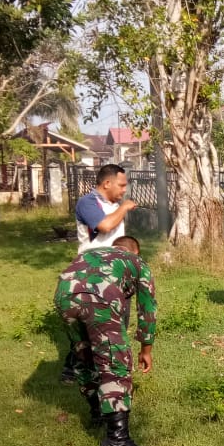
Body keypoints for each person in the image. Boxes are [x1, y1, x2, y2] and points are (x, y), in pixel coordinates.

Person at [54, 235, 157, 446]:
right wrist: (146, 350)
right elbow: (147, 309)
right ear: (135, 252)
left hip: (64, 295)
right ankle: (117, 442)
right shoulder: (137, 262)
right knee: (114, 361)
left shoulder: (89, 254)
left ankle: (98, 413)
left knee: (84, 355)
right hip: (98, 299)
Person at [62, 163, 139, 382]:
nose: (124, 189)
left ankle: (109, 369)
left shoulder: (113, 205)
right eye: (121, 185)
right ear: (107, 183)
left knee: (119, 322)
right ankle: (73, 368)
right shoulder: (87, 203)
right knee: (89, 325)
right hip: (92, 274)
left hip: (114, 273)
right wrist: (125, 208)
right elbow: (104, 226)